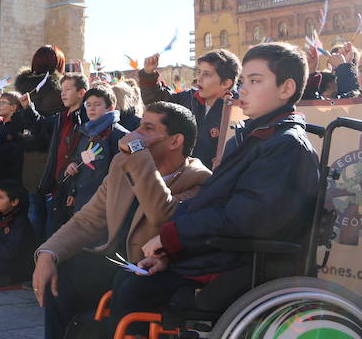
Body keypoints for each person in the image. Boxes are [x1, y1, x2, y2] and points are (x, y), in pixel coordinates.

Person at [111, 42, 318, 330]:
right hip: (218, 253)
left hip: (242, 265)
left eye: (255, 81)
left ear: (286, 89)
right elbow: (210, 200)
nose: (242, 90)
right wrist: (170, 252)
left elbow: (243, 219)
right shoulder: (250, 138)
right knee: (127, 277)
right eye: (243, 81)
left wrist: (172, 239)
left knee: (135, 289)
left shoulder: (285, 147)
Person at [33, 102, 211, 339]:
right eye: (138, 127)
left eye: (147, 129)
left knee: (126, 284)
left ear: (175, 141)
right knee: (61, 275)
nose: (134, 135)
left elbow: (163, 215)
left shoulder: (198, 179)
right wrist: (48, 253)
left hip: (154, 271)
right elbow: (88, 218)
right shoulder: (122, 164)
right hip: (117, 261)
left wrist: (138, 153)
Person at [139, 49, 240, 168]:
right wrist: (149, 74)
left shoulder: (239, 110)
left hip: (216, 181)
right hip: (184, 177)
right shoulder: (188, 99)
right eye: (199, 72)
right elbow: (157, 102)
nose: (199, 79)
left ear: (226, 83)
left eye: (207, 74)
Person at [20, 73, 88, 239]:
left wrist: (73, 189)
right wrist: (28, 108)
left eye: (68, 89)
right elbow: (40, 126)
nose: (63, 93)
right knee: (51, 231)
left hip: (74, 187)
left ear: (81, 93)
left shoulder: (86, 118)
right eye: (62, 90)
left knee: (63, 236)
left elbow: (84, 152)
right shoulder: (61, 117)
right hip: (58, 185)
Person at [62, 84, 141, 213]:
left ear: (110, 108)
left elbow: (130, 173)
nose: (92, 109)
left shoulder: (121, 136)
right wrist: (73, 187)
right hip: (83, 200)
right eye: (88, 105)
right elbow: (79, 158)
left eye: (97, 104)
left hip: (107, 203)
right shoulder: (86, 132)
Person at [15, 46, 66, 239]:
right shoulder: (56, 91)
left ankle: (30, 258)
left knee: (34, 212)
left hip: (30, 159)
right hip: (48, 160)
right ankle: (43, 259)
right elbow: (50, 130)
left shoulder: (27, 89)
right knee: (49, 214)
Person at [0, 91, 30, 188]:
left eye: (2, 103)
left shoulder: (18, 125)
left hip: (9, 176)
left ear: (13, 107)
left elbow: (13, 151)